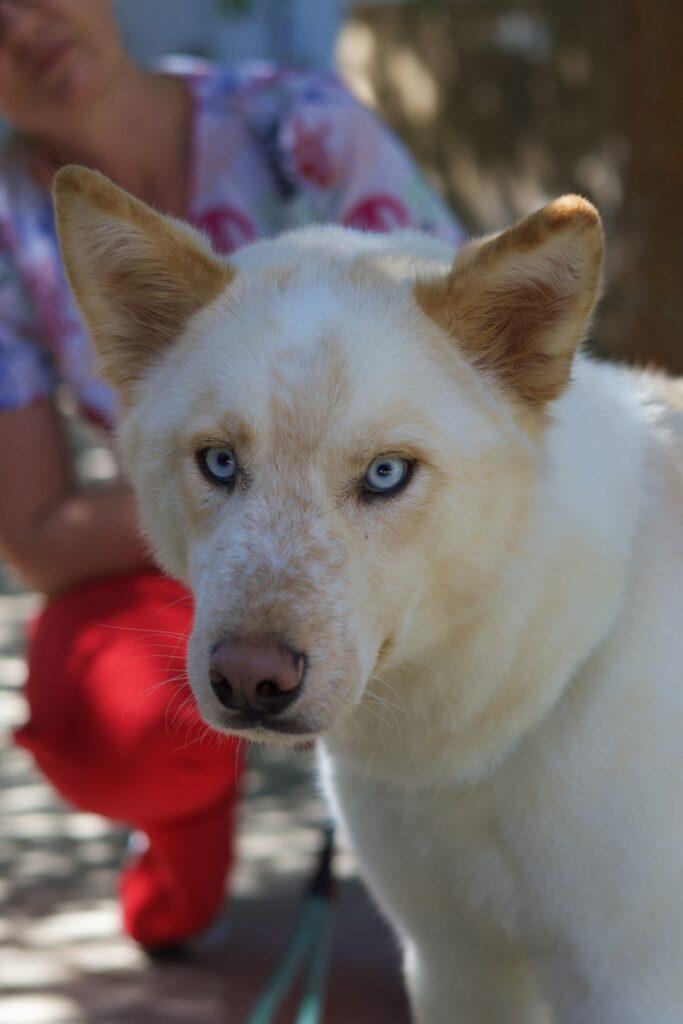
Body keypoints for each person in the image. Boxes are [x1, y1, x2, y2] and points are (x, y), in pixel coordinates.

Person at [0, 0, 463, 952]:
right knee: (110, 722)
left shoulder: (301, 128)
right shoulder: (8, 230)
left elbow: (459, 386)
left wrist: (311, 500)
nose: (18, 24)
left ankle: (458, 901)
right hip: (183, 540)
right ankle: (183, 830)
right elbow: (37, 532)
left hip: (380, 515)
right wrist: (230, 492)